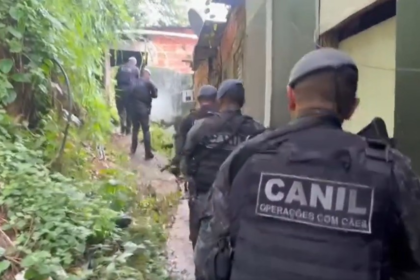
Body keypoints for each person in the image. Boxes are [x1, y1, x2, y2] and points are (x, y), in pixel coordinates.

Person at [194, 48, 420, 280]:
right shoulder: (391, 169)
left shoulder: (245, 158)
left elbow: (208, 259)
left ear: (291, 97)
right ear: (352, 107)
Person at [182, 79, 265, 279]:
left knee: (203, 251)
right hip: (241, 203)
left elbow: (186, 157)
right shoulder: (256, 130)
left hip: (205, 199)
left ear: (220, 99)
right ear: (241, 101)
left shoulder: (202, 127)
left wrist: (189, 182)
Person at [169, 85, 219, 177]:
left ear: (199, 101)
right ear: (216, 101)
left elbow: (180, 142)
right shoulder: (223, 119)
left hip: (196, 170)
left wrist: (177, 161)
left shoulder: (190, 119)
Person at [127, 67, 158, 159]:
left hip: (134, 109)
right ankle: (147, 153)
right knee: (146, 130)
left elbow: (129, 94)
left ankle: (133, 149)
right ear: (147, 75)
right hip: (144, 110)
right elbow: (155, 95)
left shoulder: (134, 82)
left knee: (135, 129)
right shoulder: (149, 83)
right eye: (149, 75)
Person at [115, 57, 140, 135]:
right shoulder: (136, 69)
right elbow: (138, 82)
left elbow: (116, 78)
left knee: (121, 109)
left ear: (128, 61)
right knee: (130, 111)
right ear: (134, 63)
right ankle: (128, 130)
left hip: (120, 90)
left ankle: (122, 127)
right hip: (130, 92)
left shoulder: (121, 67)